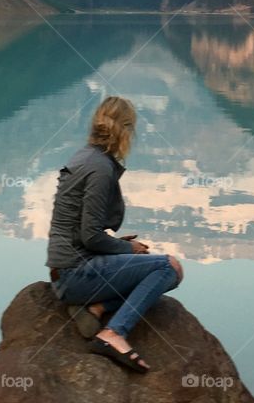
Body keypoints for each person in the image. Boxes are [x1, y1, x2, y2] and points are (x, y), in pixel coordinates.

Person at [46, 96, 184, 372]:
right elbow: (91, 237)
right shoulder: (100, 168)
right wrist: (128, 250)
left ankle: (95, 308)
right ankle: (113, 333)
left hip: (66, 272)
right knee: (169, 268)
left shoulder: (85, 157)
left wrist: (119, 246)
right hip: (76, 273)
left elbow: (83, 233)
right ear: (124, 130)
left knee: (149, 269)